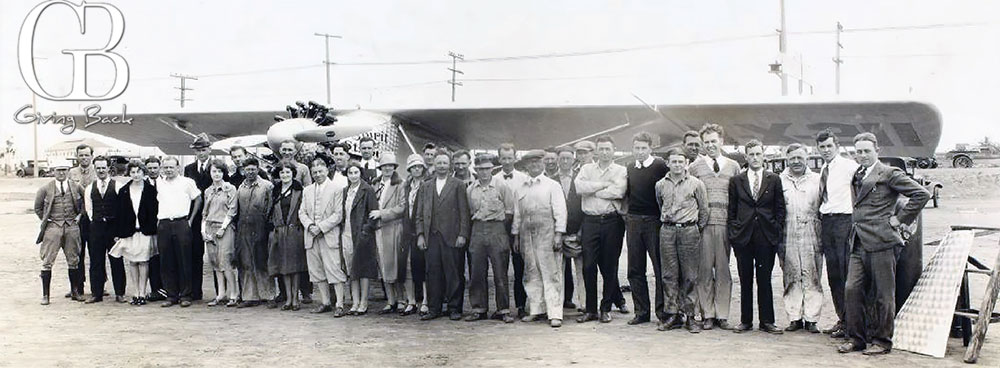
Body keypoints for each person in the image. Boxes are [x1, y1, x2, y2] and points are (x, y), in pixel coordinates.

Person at [837, 133, 929, 356]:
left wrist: (899, 219)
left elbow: (921, 194)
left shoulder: (889, 173)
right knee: (852, 290)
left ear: (877, 150)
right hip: (859, 242)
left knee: (883, 294)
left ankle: (882, 341)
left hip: (882, 242)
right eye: (858, 151)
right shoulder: (857, 174)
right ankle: (856, 339)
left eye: (867, 151)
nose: (862, 155)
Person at [727, 139, 786, 334]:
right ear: (746, 157)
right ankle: (745, 321)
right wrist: (734, 232)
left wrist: (775, 230)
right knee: (745, 279)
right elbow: (732, 209)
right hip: (743, 237)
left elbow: (780, 208)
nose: (755, 158)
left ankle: (767, 321)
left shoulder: (773, 179)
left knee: (764, 279)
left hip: (766, 236)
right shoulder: (737, 181)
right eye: (751, 154)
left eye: (758, 154)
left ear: (763, 156)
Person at [689, 123, 740, 330]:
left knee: (723, 270)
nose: (710, 145)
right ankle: (707, 314)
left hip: (725, 225)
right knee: (703, 271)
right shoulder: (695, 167)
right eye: (706, 142)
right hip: (703, 226)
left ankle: (722, 315)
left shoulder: (733, 166)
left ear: (721, 141)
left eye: (714, 141)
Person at [655, 148, 709, 333]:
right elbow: (659, 205)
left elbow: (704, 211)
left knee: (690, 275)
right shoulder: (660, 185)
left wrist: (694, 228)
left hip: (689, 231)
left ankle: (691, 317)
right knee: (669, 275)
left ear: (686, 163)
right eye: (673, 161)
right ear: (668, 163)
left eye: (681, 161)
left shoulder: (696, 184)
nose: (677, 165)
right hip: (668, 231)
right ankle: (672, 315)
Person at [575, 136, 628, 324]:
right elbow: (579, 187)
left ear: (613, 150)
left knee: (609, 266)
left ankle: (605, 308)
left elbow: (618, 192)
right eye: (601, 149)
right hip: (590, 221)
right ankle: (590, 310)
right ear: (596, 151)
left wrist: (593, 190)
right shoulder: (586, 168)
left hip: (611, 222)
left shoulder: (621, 170)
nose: (604, 152)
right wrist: (604, 185)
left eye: (608, 149)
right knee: (588, 266)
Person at [512, 150, 567, 328]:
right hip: (526, 234)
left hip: (547, 233)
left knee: (551, 272)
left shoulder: (552, 185)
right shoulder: (520, 187)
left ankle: (555, 313)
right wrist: (516, 237)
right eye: (531, 163)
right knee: (531, 272)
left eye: (538, 162)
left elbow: (560, 211)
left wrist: (559, 233)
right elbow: (517, 214)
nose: (534, 165)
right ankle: (536, 309)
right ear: (526, 166)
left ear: (543, 164)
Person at [415, 149, 471, 321]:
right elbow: (419, 214)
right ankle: (434, 308)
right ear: (434, 164)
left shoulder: (458, 185)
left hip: (452, 236)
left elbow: (464, 213)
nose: (441, 166)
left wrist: (462, 234)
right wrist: (420, 235)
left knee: (454, 272)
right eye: (438, 163)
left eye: (444, 163)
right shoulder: (426, 186)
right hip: (432, 236)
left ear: (450, 165)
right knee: (433, 273)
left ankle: (455, 308)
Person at [815, 128, 859, 337]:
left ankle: (854, 324)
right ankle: (842, 319)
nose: (825, 150)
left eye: (829, 146)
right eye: (822, 147)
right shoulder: (824, 168)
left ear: (837, 146)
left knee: (846, 272)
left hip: (844, 221)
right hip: (827, 223)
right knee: (833, 275)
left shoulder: (849, 166)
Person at [777, 143, 823, 333]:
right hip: (787, 230)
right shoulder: (779, 180)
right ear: (787, 159)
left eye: (800, 158)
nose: (796, 162)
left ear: (807, 158)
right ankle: (794, 317)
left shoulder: (817, 180)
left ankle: (812, 319)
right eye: (792, 158)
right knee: (791, 275)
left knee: (812, 275)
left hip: (812, 229)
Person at [624, 132, 668, 325]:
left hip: (654, 221)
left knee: (659, 268)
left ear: (650, 148)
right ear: (632, 149)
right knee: (635, 268)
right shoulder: (630, 168)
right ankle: (641, 312)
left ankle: (663, 312)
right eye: (637, 148)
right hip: (633, 221)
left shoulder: (660, 166)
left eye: (643, 148)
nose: (640, 152)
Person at [465, 154, 516, 323]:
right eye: (480, 169)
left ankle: (503, 310)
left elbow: (509, 211)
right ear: (476, 170)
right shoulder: (471, 189)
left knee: (500, 271)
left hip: (497, 229)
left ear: (492, 169)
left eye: (487, 169)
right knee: (477, 272)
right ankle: (479, 308)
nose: (484, 172)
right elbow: (470, 213)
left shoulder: (502, 186)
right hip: (478, 229)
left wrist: (500, 229)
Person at [299, 157, 347, 315]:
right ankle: (325, 302)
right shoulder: (307, 190)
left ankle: (339, 303)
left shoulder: (337, 189)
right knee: (317, 271)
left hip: (328, 234)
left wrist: (320, 227)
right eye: (314, 172)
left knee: (334, 269)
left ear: (327, 170)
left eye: (320, 171)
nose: (318, 174)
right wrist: (310, 226)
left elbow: (338, 214)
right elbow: (302, 212)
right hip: (311, 235)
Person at [34, 159, 85, 304]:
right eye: (58, 170)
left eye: (64, 169)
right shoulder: (45, 188)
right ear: (53, 171)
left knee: (74, 260)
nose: (61, 173)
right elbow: (37, 207)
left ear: (68, 171)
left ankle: (75, 291)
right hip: (53, 227)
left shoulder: (76, 186)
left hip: (71, 226)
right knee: (47, 260)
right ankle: (46, 295)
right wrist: (47, 220)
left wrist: (79, 216)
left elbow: (87, 202)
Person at [184, 133, 227, 301]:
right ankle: (195, 291)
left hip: (215, 217)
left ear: (209, 149)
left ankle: (220, 292)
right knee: (195, 254)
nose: (201, 153)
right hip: (196, 217)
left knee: (218, 256)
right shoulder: (189, 169)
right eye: (198, 150)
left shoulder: (217, 167)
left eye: (203, 149)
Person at [109, 160, 158, 306]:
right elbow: (119, 213)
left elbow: (154, 212)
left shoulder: (150, 190)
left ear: (143, 172)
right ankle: (135, 292)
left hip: (145, 231)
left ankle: (142, 292)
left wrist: (153, 229)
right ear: (129, 173)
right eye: (133, 172)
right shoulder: (124, 190)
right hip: (129, 231)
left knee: (143, 261)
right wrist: (118, 232)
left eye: (138, 172)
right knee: (132, 261)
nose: (136, 175)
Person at [156, 156, 202, 307]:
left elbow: (198, 199)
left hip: (181, 222)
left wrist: (190, 220)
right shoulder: (159, 183)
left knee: (184, 259)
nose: (168, 170)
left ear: (178, 168)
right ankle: (171, 295)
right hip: (164, 224)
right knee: (166, 260)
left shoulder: (187, 182)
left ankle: (186, 295)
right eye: (166, 167)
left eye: (171, 167)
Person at [83, 156, 127, 303]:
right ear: (94, 169)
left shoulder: (118, 186)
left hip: (113, 229)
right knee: (96, 261)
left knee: (116, 260)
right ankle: (97, 293)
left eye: (103, 167)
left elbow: (123, 209)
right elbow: (89, 209)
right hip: (96, 228)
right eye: (98, 168)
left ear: (109, 168)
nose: (101, 170)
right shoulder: (90, 187)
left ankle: (120, 293)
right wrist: (96, 221)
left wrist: (119, 230)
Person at [234, 158, 275, 308]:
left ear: (258, 169)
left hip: (261, 227)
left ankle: (269, 295)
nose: (250, 172)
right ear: (243, 170)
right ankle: (250, 296)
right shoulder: (241, 187)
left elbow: (270, 208)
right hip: (243, 227)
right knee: (246, 262)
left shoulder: (267, 186)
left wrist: (267, 227)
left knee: (262, 261)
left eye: (253, 169)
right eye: (247, 169)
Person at [268, 162, 308, 311]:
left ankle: (296, 298)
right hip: (280, 231)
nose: (285, 175)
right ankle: (288, 299)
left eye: (288, 172)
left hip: (294, 231)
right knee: (283, 265)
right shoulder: (275, 191)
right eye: (282, 173)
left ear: (293, 174)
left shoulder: (299, 190)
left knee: (295, 266)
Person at [371, 155, 407, 314]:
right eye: (384, 166)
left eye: (390, 166)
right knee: (383, 266)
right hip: (378, 229)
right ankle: (390, 300)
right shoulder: (375, 184)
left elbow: (402, 207)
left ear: (394, 167)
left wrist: (382, 213)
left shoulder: (400, 184)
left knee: (395, 265)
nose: (387, 168)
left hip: (393, 228)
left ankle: (401, 299)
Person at [496, 143, 529, 318]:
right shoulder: (494, 179)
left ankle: (521, 305)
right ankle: (502, 308)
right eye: (504, 158)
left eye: (510, 158)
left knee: (520, 268)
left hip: (519, 226)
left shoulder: (524, 178)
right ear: (499, 158)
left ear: (515, 158)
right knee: (500, 268)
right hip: (501, 227)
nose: (507, 161)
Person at [200, 160, 238, 307]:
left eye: (220, 171)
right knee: (215, 262)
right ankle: (221, 294)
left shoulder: (230, 188)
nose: (217, 174)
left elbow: (232, 210)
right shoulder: (208, 191)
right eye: (214, 171)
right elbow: (204, 213)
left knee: (226, 261)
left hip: (225, 228)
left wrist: (223, 227)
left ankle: (234, 294)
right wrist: (203, 232)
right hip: (210, 228)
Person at [343, 163, 380, 315]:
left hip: (362, 235)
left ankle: (364, 301)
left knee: (363, 268)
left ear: (360, 173)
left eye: (356, 172)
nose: (353, 175)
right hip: (346, 233)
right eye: (350, 172)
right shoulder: (346, 191)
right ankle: (355, 301)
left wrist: (366, 231)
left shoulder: (367, 190)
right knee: (352, 269)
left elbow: (373, 213)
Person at [555, 145, 584, 312]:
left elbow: (586, 207)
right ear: (558, 160)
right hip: (559, 234)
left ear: (573, 160)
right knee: (557, 273)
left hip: (578, 232)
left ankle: (585, 305)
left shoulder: (581, 179)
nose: (565, 161)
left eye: (568, 158)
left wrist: (581, 231)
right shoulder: (551, 180)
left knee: (582, 271)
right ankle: (557, 306)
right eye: (562, 158)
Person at [400, 154, 428, 316]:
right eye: (414, 167)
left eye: (419, 166)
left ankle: (425, 300)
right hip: (407, 230)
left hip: (421, 230)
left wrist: (421, 232)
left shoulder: (427, 185)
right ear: (409, 169)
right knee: (407, 266)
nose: (417, 169)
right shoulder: (406, 186)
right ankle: (411, 301)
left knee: (423, 266)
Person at [67, 144, 95, 299]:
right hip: (77, 218)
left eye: (86, 155)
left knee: (95, 252)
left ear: (91, 156)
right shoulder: (71, 173)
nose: (84, 158)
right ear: (77, 156)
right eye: (81, 155)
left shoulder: (97, 171)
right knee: (77, 253)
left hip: (93, 218)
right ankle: (77, 286)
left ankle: (98, 285)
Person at [143, 156, 166, 302]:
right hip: (149, 227)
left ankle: (166, 288)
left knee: (166, 257)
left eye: (155, 168)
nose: (152, 171)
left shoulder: (166, 183)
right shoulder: (142, 184)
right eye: (149, 168)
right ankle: (155, 289)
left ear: (160, 168)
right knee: (151, 258)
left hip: (165, 224)